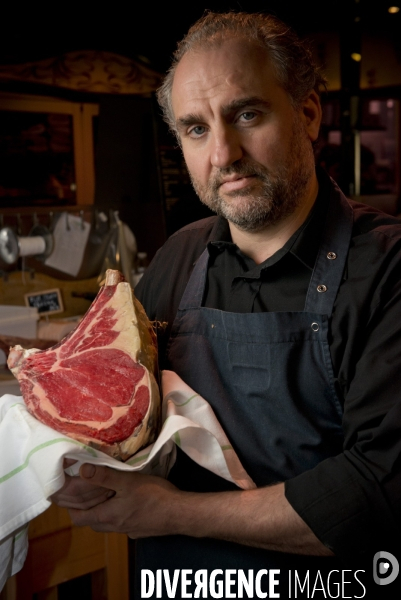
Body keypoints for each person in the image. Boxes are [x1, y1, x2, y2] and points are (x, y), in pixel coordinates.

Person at [52, 12, 401, 597]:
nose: (223, 153)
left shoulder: (387, 268)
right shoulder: (178, 256)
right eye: (194, 129)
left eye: (246, 114)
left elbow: (379, 490)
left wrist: (168, 512)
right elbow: (123, 413)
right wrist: (83, 473)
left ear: (307, 113)